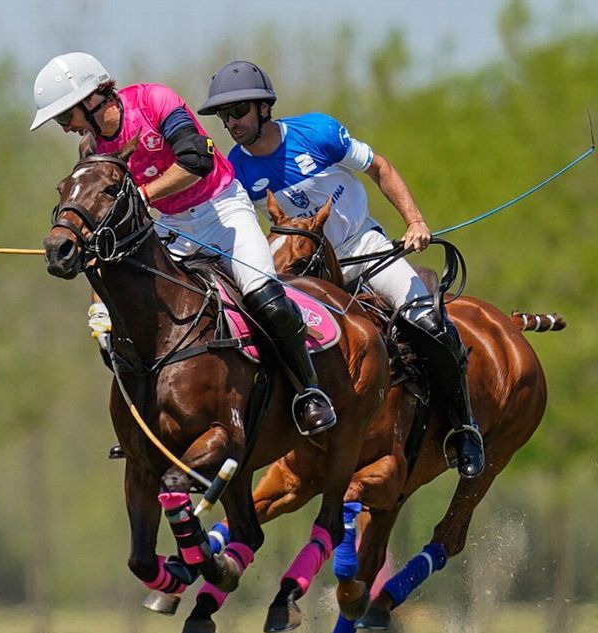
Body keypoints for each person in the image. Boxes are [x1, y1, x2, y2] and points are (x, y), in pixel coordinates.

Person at [198, 60, 483, 477]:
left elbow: (379, 167)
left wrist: (415, 221)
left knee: (428, 324)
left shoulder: (319, 133)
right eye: (223, 115)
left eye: (238, 111)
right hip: (300, 273)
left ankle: (463, 427)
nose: (230, 122)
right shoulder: (235, 170)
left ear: (263, 109)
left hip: (362, 250)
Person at [30, 52, 336, 437]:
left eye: (64, 117)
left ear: (91, 100)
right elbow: (104, 237)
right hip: (173, 225)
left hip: (223, 211)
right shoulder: (92, 149)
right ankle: (146, 422)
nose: (64, 128)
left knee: (266, 299)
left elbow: (196, 160)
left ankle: (308, 391)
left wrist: (142, 195)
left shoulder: (155, 101)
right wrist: (99, 303)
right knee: (128, 320)